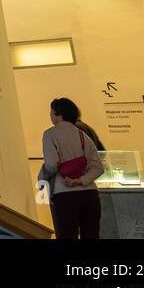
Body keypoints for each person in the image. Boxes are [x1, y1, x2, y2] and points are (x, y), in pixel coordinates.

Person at [39, 97, 103, 239]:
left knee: (67, 235)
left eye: (51, 112)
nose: (50, 115)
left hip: (65, 194)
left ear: (58, 113)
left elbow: (51, 165)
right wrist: (80, 180)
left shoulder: (50, 134)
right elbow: (98, 168)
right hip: (90, 195)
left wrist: (42, 177)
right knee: (91, 235)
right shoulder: (84, 136)